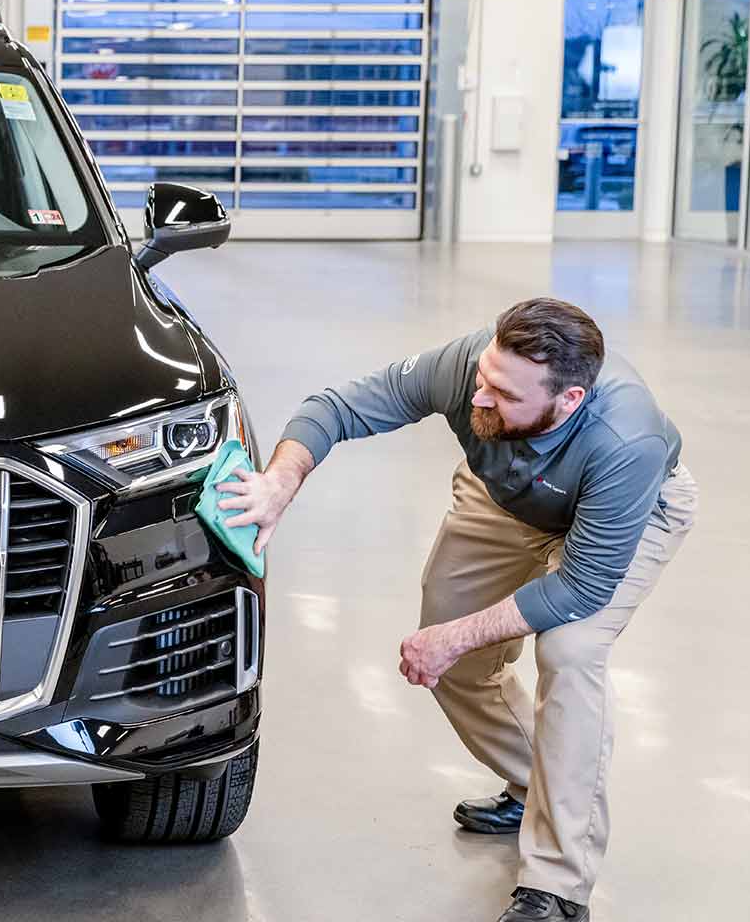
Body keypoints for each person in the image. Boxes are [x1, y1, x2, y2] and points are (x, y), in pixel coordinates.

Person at [216, 298, 695, 922]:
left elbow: (578, 588)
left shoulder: (626, 440)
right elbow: (338, 407)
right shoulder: (474, 366)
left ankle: (558, 885)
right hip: (506, 496)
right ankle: (534, 784)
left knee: (570, 651)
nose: (480, 398)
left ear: (569, 401)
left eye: (504, 393)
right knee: (454, 649)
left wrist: (454, 638)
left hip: (622, 516)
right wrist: (282, 479)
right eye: (483, 378)